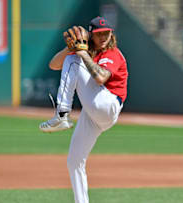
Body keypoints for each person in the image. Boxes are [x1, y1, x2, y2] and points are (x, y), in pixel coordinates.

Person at [39, 17, 128, 203]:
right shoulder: (90, 51)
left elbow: (101, 77)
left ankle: (62, 114)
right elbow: (54, 65)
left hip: (108, 104)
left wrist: (81, 53)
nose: (103, 36)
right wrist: (69, 48)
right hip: (94, 114)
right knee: (74, 161)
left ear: (111, 33)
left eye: (107, 32)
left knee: (73, 60)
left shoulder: (113, 53)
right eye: (98, 33)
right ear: (91, 35)